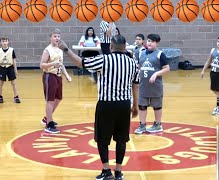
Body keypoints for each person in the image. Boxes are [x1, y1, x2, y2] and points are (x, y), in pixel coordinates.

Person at [58, 35, 139, 180]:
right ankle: (119, 172)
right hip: (124, 104)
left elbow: (80, 63)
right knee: (121, 139)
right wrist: (135, 106)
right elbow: (136, 84)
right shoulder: (133, 63)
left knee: (102, 139)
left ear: (111, 47)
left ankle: (107, 171)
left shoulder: (104, 59)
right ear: (125, 47)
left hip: (106, 105)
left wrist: (65, 49)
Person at [134, 34, 170, 134]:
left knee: (157, 106)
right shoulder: (141, 53)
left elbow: (167, 68)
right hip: (143, 85)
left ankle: (158, 125)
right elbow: (138, 66)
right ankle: (142, 125)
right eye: (149, 41)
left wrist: (156, 74)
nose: (150, 43)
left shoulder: (160, 54)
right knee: (142, 106)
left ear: (157, 43)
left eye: (153, 41)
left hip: (155, 86)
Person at [40, 29, 71, 134]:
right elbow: (42, 65)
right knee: (50, 100)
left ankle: (47, 118)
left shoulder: (60, 49)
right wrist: (53, 64)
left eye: (58, 36)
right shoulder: (47, 50)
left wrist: (66, 75)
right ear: (51, 38)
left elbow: (61, 64)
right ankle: (49, 124)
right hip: (49, 76)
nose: (57, 38)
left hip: (58, 76)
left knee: (58, 98)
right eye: (55, 36)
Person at [0, 36, 21, 103]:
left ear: (8, 42)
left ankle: (16, 97)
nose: (4, 42)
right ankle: (0, 96)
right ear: (0, 42)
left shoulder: (11, 50)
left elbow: (14, 60)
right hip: (2, 68)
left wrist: (15, 69)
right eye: (3, 41)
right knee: (1, 83)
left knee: (13, 83)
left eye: (6, 41)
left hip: (10, 67)